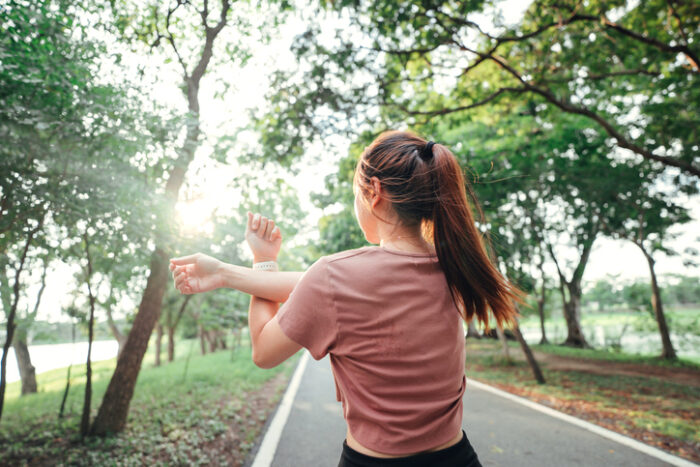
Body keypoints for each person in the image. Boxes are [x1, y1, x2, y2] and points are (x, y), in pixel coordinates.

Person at [170, 130, 522, 466]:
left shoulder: (335, 276)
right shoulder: (457, 268)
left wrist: (262, 260)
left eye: (355, 192)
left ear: (374, 191)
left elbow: (264, 351)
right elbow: (311, 287)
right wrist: (224, 273)